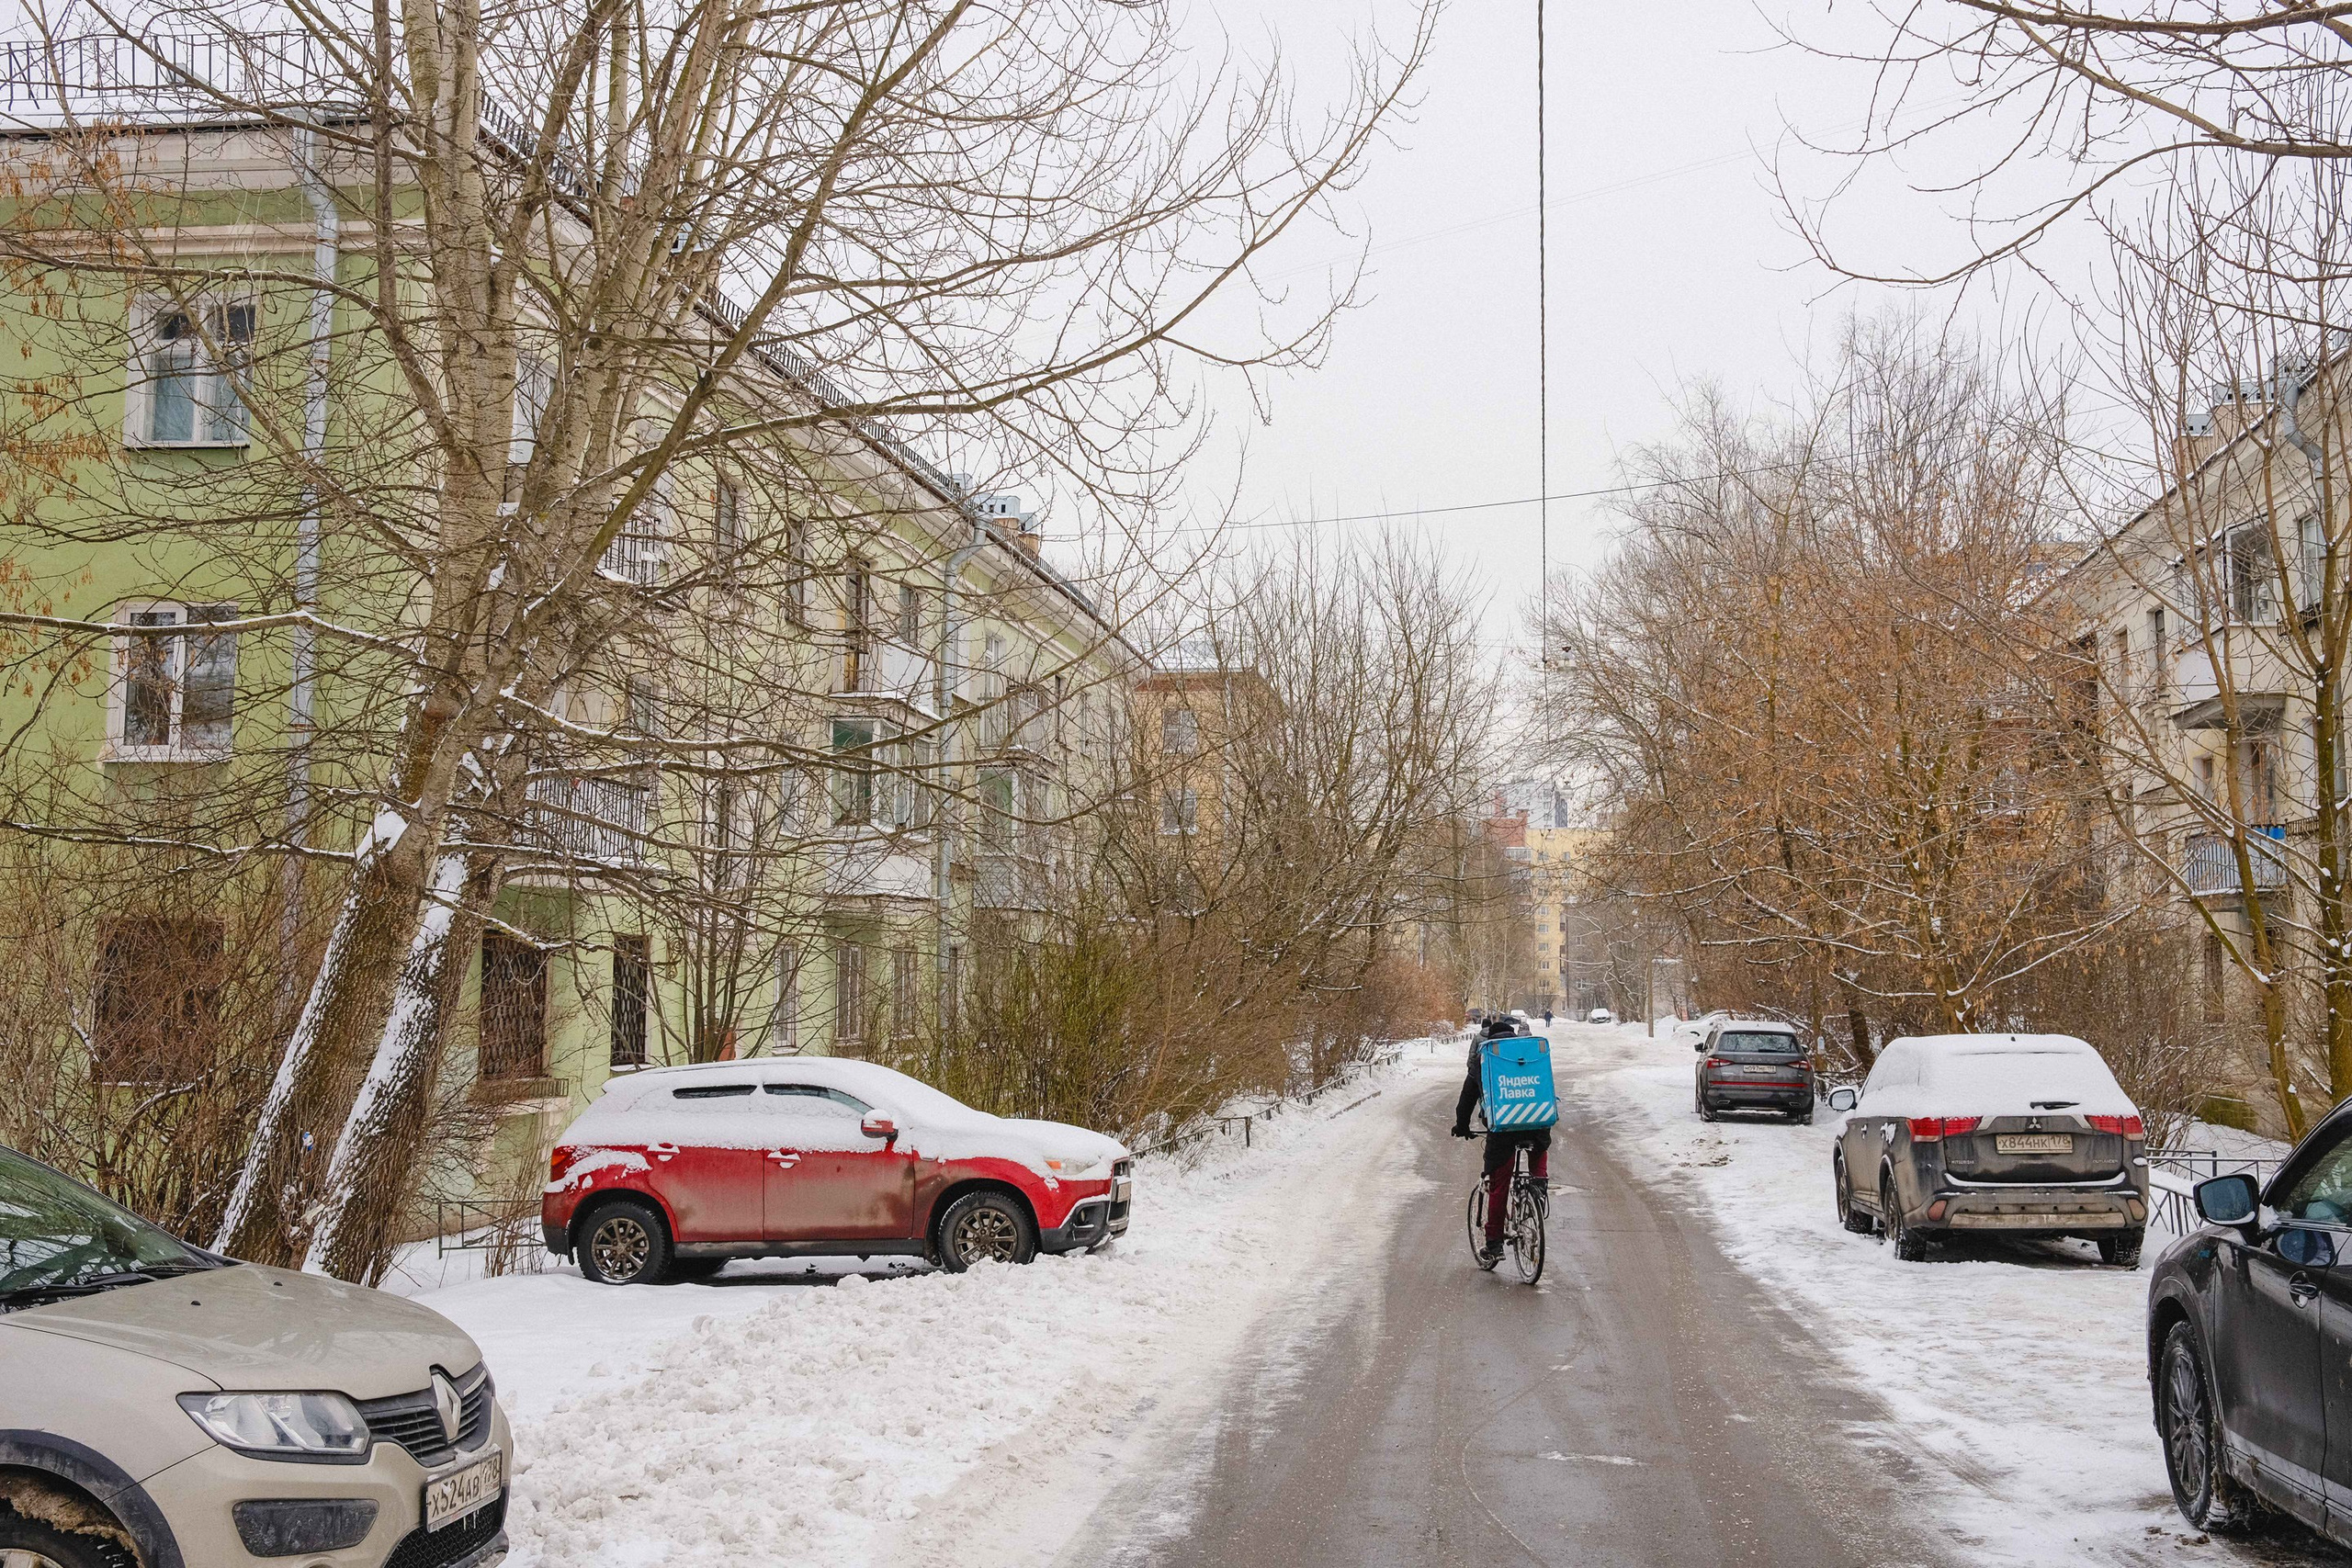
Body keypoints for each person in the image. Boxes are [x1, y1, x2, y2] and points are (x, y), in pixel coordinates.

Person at [1453, 1016, 1551, 1264]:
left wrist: (1462, 1126)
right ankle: (1538, 1187)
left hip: (1504, 1131)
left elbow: (1467, 1098)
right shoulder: (1525, 1056)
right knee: (1539, 1148)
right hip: (1537, 1124)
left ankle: (1494, 1243)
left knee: (1499, 1184)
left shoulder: (1484, 1060)